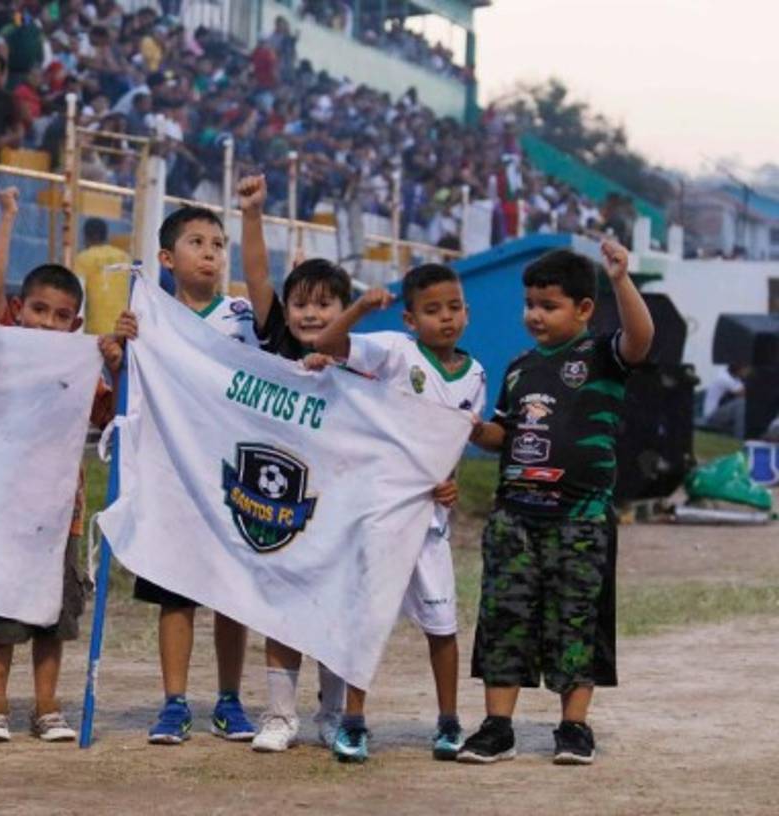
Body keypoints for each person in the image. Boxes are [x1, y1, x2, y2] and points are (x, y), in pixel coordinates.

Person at [457, 241, 654, 766]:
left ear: (584, 309)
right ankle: (497, 727)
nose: (534, 315)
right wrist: (481, 431)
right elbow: (505, 431)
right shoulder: (520, 368)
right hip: (514, 519)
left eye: (548, 305)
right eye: (530, 304)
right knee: (504, 617)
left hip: (581, 521)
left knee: (576, 619)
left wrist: (621, 280)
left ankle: (573, 728)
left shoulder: (603, 356)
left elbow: (642, 338)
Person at [311, 263, 487, 763]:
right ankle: (353, 720)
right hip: (383, 510)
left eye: (454, 308)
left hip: (430, 521)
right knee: (367, 618)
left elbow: (453, 439)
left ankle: (449, 721)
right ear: (411, 319)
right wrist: (362, 307)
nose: (446, 319)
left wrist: (450, 482)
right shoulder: (393, 351)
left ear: (467, 313)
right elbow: (326, 342)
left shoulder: (474, 374)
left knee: (443, 625)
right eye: (433, 311)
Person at [0, 260, 134, 742]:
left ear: (75, 325)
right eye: (38, 309)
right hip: (0, 512)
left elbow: (112, 417)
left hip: (62, 515)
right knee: (0, 614)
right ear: (18, 311)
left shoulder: (80, 371)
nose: (46, 322)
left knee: (54, 617)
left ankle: (47, 707)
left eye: (60, 315)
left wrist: (115, 366)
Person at [232, 173, 354, 753]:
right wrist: (254, 215)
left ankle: (332, 715)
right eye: (301, 304)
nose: (309, 315)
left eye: (324, 305)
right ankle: (280, 715)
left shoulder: (360, 361)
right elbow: (257, 276)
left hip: (336, 507)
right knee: (281, 611)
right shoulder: (277, 340)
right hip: (278, 502)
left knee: (332, 613)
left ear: (345, 311)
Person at [136, 204, 260, 745]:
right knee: (175, 593)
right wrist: (121, 347)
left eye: (217, 243)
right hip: (173, 474)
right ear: (167, 258)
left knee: (232, 594)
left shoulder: (243, 317)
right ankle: (174, 701)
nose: (209, 253)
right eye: (196, 243)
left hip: (233, 473)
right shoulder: (149, 316)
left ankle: (229, 699)